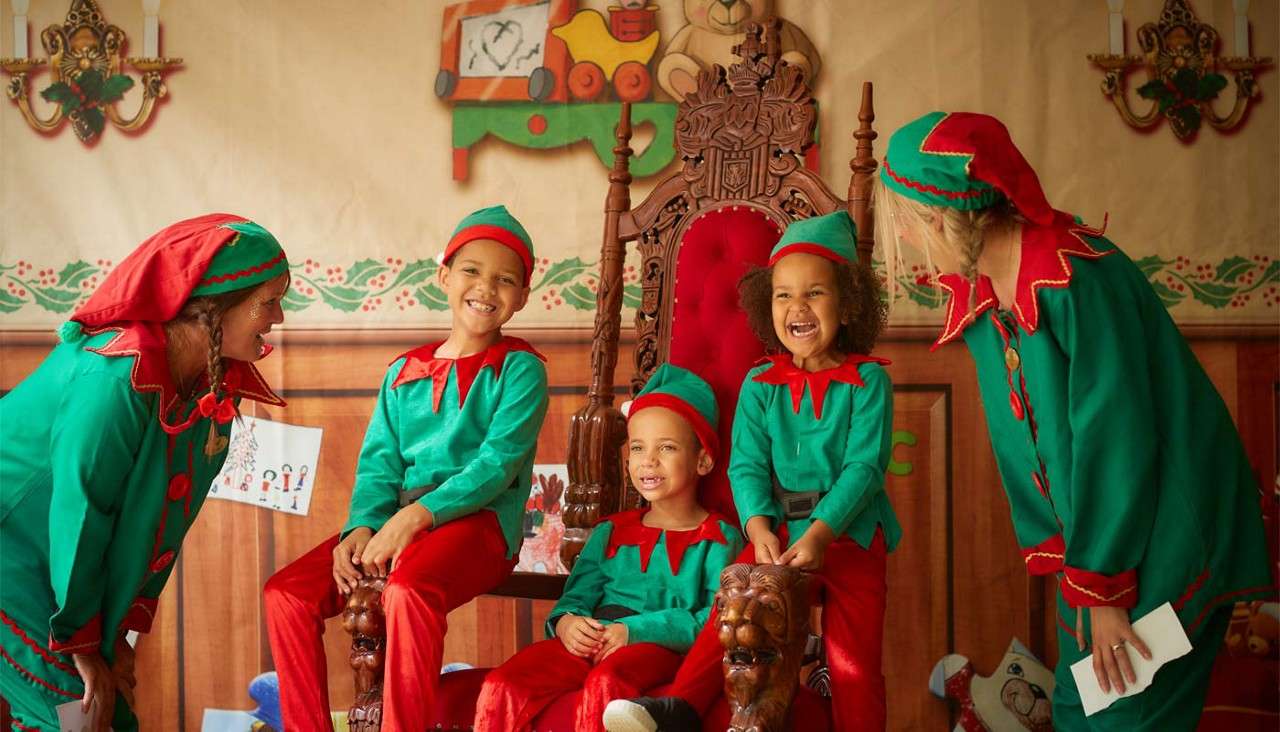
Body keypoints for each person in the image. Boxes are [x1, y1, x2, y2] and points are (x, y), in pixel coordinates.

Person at [873, 111, 1274, 729]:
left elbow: (1117, 438)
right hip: (1098, 551)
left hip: (1168, 530)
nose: (904, 246)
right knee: (1074, 710)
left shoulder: (1074, 275)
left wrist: (1105, 587)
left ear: (938, 217)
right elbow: (1030, 446)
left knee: (1126, 719)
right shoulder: (982, 294)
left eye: (904, 226)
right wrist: (1080, 574)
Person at [606, 211, 899, 731]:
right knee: (730, 603)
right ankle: (682, 707)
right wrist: (759, 527)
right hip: (777, 530)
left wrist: (821, 533)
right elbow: (747, 465)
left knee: (855, 665)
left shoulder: (868, 381)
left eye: (815, 293)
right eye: (783, 295)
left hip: (848, 533)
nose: (797, 308)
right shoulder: (761, 382)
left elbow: (863, 468)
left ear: (848, 301)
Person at [263, 205, 549, 732]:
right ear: (443, 275)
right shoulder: (402, 371)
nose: (486, 287)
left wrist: (414, 517)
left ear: (522, 297)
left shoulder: (521, 369)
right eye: (471, 270)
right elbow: (379, 465)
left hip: (479, 528)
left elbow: (497, 466)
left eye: (506, 279)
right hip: (394, 528)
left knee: (407, 591)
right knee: (286, 594)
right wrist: (362, 527)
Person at [0, 214, 290, 731]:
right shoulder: (113, 377)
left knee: (104, 717)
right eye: (268, 302)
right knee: (75, 716)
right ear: (213, 308)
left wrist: (113, 636)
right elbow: (84, 508)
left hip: (53, 562)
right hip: (10, 552)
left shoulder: (203, 386)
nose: (279, 318)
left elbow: (152, 525)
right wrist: (83, 640)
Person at [474, 364, 742, 732]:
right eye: (637, 448)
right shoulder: (610, 531)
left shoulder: (719, 538)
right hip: (593, 636)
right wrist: (567, 623)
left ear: (703, 459)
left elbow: (710, 625)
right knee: (502, 685)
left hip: (655, 647)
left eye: (667, 447)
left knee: (607, 685)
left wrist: (633, 631)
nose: (648, 460)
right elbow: (575, 598)